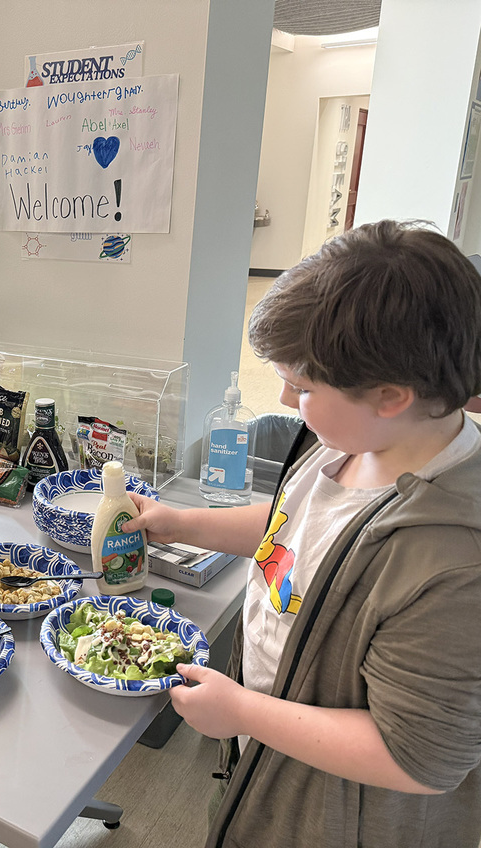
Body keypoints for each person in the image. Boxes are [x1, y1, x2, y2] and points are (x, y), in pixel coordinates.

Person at [124, 220, 481, 848]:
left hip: (336, 814)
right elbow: (291, 523)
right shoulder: (349, 442)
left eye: (305, 385)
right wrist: (172, 521)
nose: (286, 397)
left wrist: (243, 712)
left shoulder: (454, 559)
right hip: (268, 756)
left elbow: (420, 760)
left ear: (391, 394)